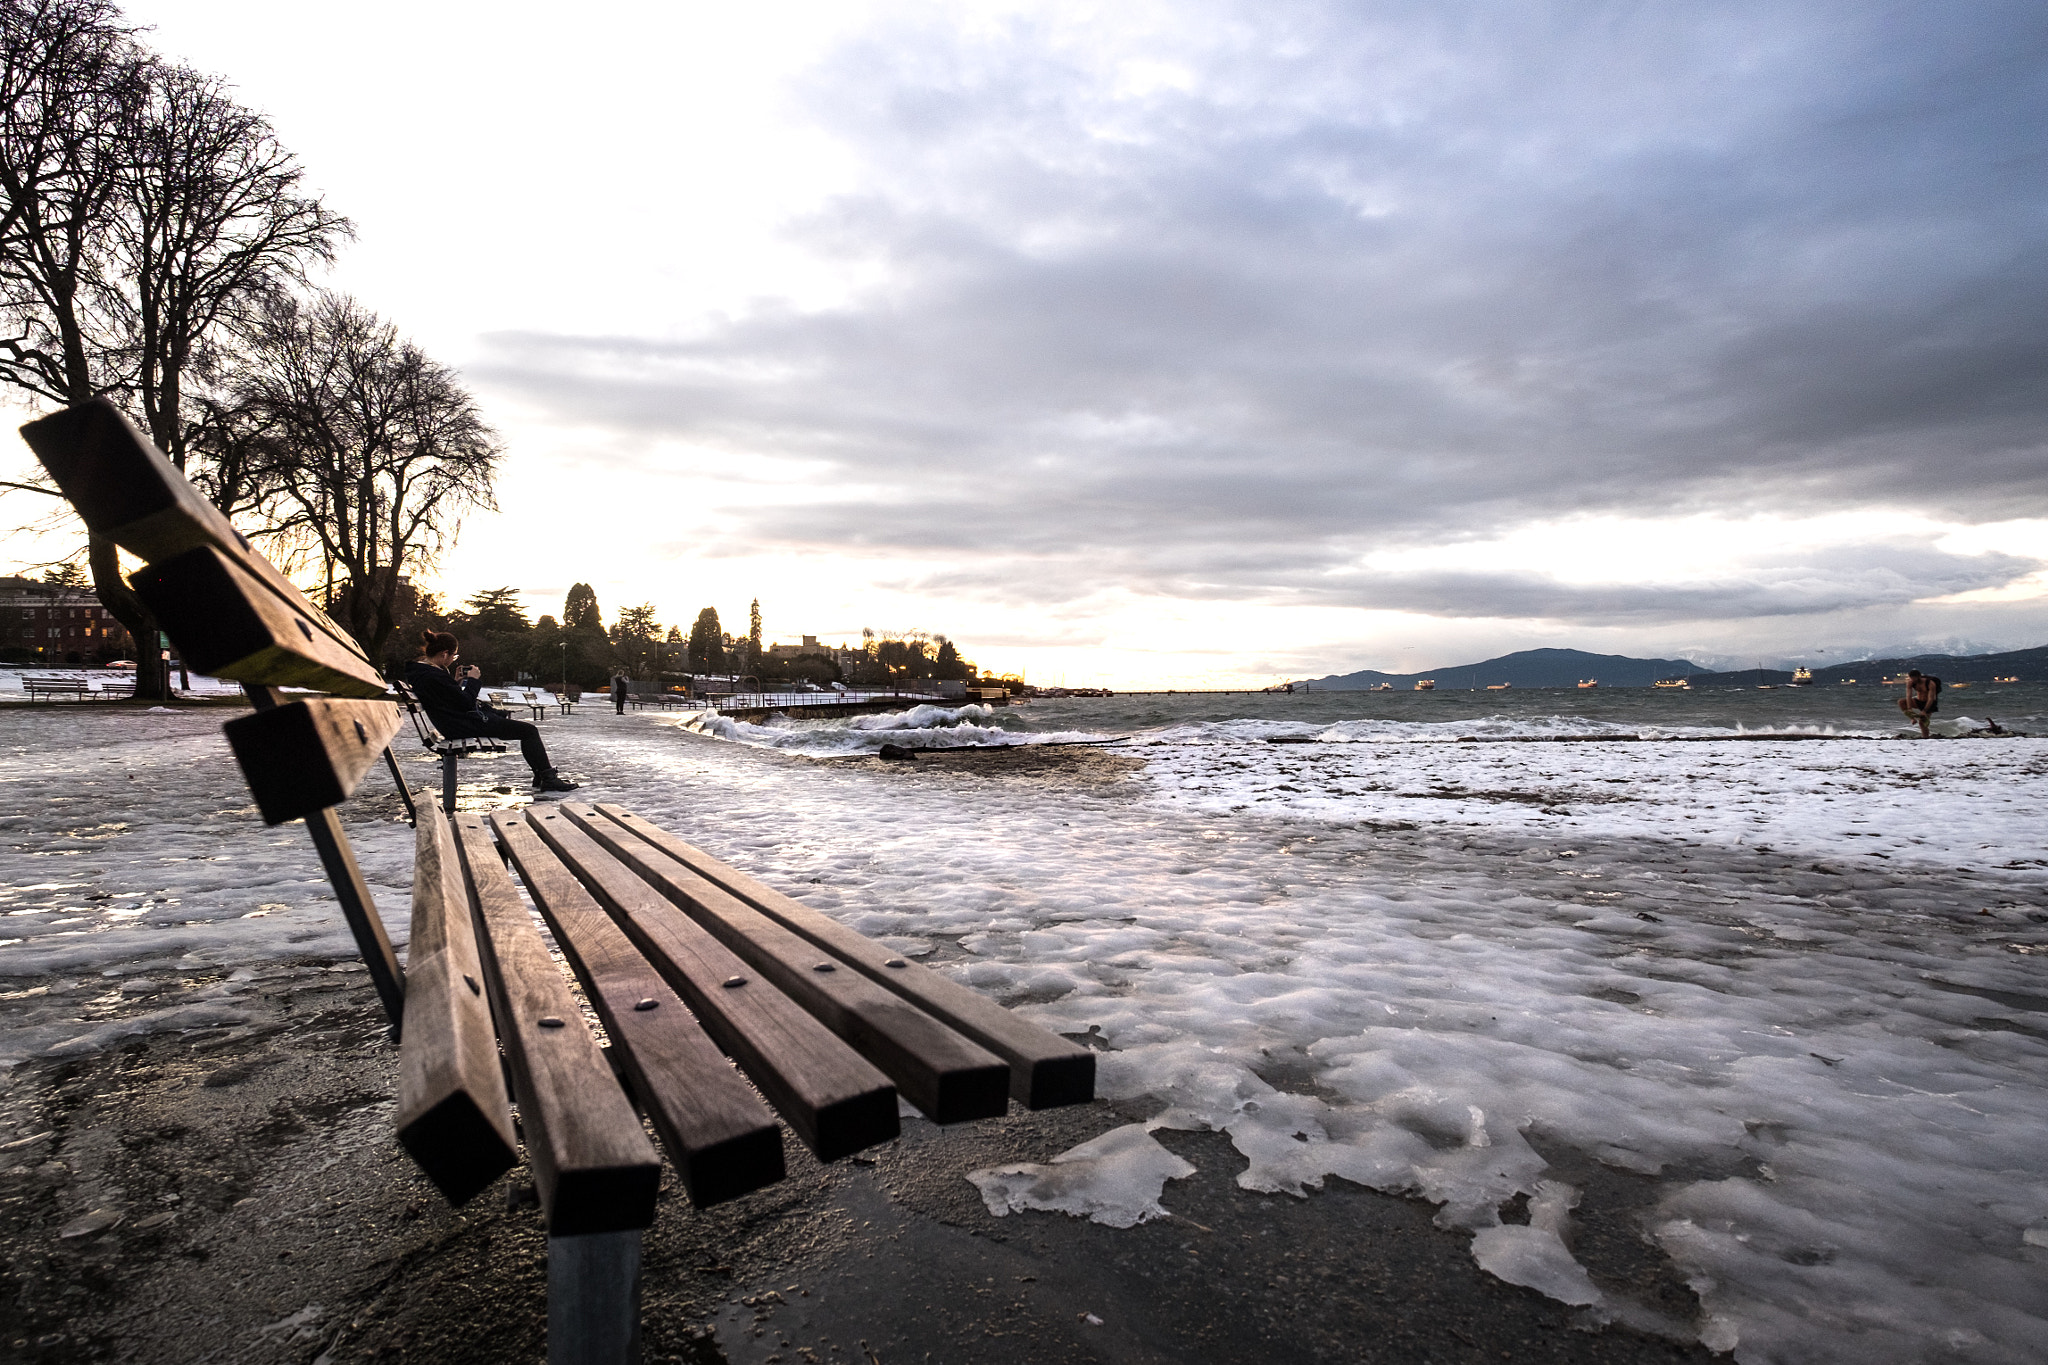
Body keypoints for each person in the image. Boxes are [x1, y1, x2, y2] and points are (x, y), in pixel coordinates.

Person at [406, 631, 579, 791]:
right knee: (529, 731)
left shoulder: (425, 672)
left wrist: (456, 683)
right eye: (453, 656)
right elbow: (465, 703)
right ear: (444, 654)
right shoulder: (432, 675)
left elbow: (450, 700)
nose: (453, 660)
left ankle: (543, 776)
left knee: (524, 730)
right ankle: (547, 778)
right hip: (460, 725)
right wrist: (473, 680)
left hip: (455, 723)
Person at [1897, 669, 1941, 738]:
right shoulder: (1911, 683)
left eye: (1915, 679)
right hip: (1919, 701)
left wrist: (1924, 711)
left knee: (1922, 723)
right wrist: (1909, 709)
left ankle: (1925, 738)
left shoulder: (1930, 683)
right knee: (1901, 702)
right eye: (1911, 678)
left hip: (1930, 703)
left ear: (1919, 677)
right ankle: (1913, 719)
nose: (1913, 680)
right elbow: (1908, 696)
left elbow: (1931, 698)